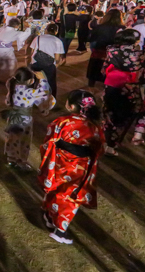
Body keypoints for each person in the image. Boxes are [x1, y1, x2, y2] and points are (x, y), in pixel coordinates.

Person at [39, 90, 105, 245]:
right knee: (70, 197)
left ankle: (49, 216)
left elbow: (49, 140)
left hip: (60, 161)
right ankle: (60, 231)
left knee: (56, 187)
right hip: (80, 167)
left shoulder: (62, 122)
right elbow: (100, 149)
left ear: (71, 106)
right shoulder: (95, 127)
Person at [101, 29, 143, 154]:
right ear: (135, 41)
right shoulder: (140, 54)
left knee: (109, 113)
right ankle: (118, 139)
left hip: (112, 84)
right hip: (130, 86)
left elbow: (104, 70)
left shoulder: (111, 51)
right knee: (125, 113)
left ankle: (109, 143)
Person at [4, 67, 54, 171]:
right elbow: (44, 92)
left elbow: (7, 100)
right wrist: (43, 79)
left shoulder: (12, 86)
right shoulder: (28, 92)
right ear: (30, 81)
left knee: (12, 139)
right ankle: (21, 162)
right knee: (24, 142)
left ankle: (11, 158)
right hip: (24, 121)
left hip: (13, 118)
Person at [86, 9, 125, 88]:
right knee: (109, 70)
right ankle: (106, 87)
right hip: (113, 52)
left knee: (94, 67)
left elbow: (91, 38)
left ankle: (91, 86)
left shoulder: (100, 27)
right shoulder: (122, 28)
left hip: (99, 49)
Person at [0, 18, 31, 83]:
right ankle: (11, 79)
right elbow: (25, 34)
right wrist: (28, 28)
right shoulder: (14, 32)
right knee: (12, 63)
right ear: (16, 25)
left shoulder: (1, 29)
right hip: (6, 50)